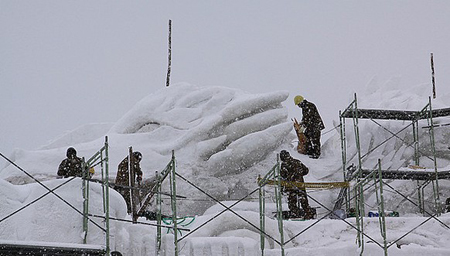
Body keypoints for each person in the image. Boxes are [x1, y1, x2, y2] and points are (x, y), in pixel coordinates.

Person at [279, 150, 315, 219]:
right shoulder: (297, 161)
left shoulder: (284, 165)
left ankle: (296, 214)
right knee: (304, 201)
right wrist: (299, 176)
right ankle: (308, 213)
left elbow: (283, 176)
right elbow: (306, 170)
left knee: (292, 202)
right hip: (300, 184)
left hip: (291, 186)